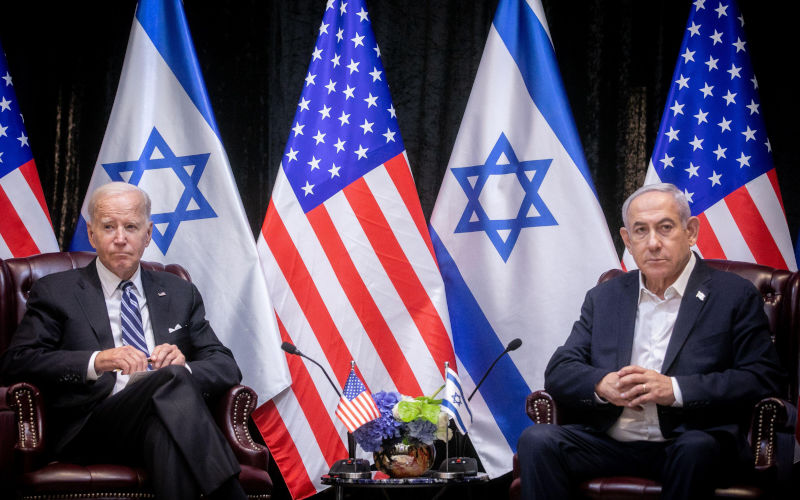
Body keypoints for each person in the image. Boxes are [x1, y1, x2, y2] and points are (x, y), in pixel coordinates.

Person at [517, 183, 784, 499]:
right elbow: (561, 369)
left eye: (666, 228)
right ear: (627, 241)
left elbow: (760, 378)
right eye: (640, 231)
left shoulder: (733, 296)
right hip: (612, 442)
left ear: (691, 231)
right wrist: (602, 385)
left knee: (695, 448)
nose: (653, 243)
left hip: (691, 441)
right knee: (537, 440)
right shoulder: (605, 297)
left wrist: (673, 390)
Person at [0, 182, 247, 500]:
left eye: (131, 227)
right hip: (92, 427)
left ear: (148, 234)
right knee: (168, 381)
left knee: (165, 419)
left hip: (162, 418)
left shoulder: (178, 291)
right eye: (108, 227)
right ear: (91, 234)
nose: (120, 238)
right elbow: (16, 361)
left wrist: (184, 367)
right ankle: (230, 493)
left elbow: (226, 365)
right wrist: (96, 361)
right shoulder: (55, 291)